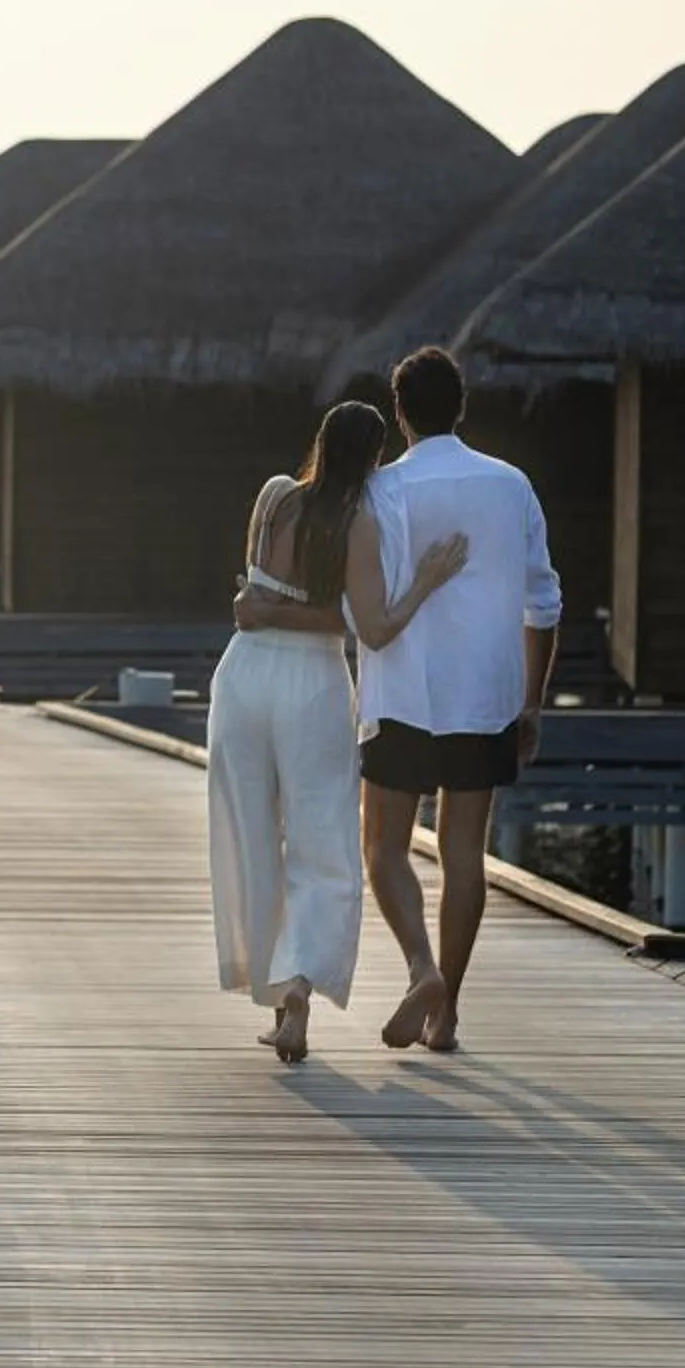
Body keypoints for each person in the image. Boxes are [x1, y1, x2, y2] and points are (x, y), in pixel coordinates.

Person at [214, 400, 469, 1062]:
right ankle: (297, 989)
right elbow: (372, 628)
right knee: (322, 841)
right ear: (374, 459)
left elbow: (250, 607)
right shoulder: (358, 523)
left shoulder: (275, 500)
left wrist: (267, 610)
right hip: (311, 688)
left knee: (252, 834)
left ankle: (277, 992)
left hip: (242, 682)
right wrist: (425, 582)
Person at [350, 345, 562, 1053]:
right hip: (487, 697)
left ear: (399, 413)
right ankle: (447, 1012)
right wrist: (530, 703)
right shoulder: (512, 486)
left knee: (382, 849)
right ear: (461, 407)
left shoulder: (381, 490)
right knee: (464, 853)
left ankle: (421, 969)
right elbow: (545, 604)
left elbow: (366, 607)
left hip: (402, 693)